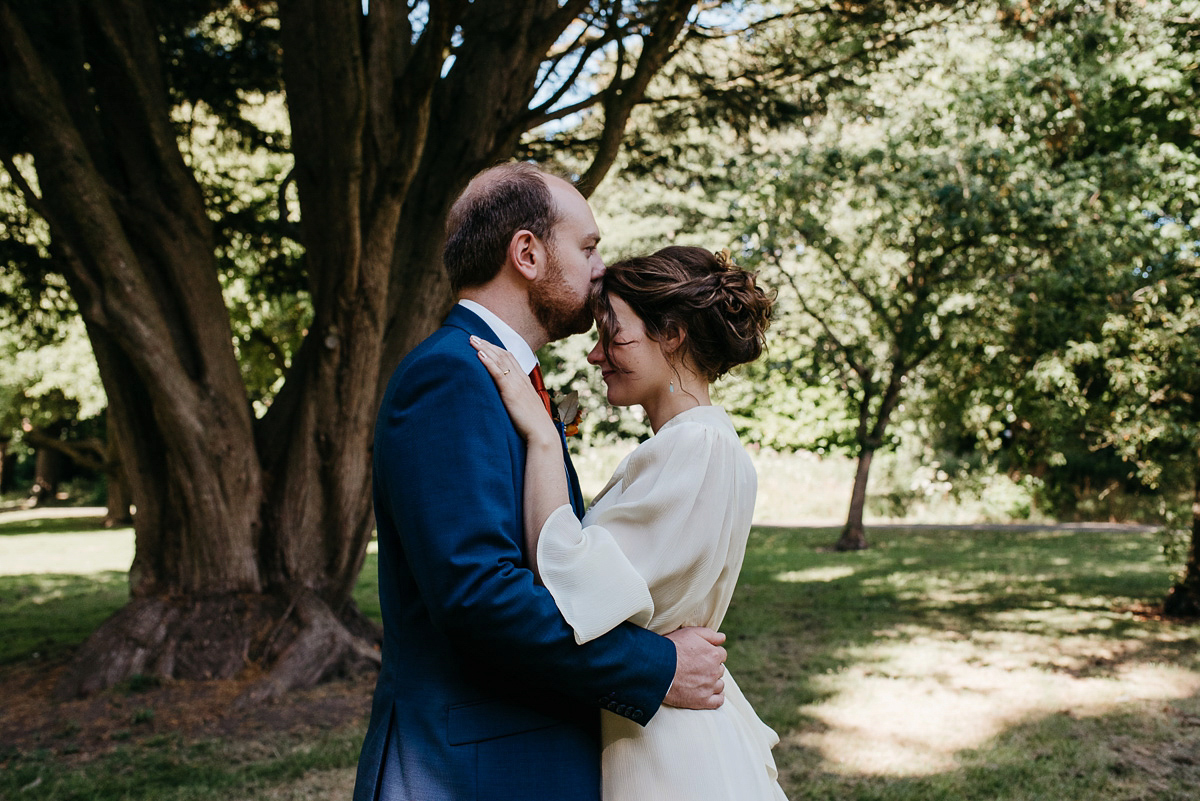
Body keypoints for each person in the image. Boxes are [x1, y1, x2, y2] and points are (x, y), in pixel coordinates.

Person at [353, 163, 730, 801]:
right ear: (526, 253)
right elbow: (478, 595)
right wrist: (656, 668)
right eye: (587, 247)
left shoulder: (501, 378)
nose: (601, 268)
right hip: (475, 770)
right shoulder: (449, 377)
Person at [471, 245, 789, 800]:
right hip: (655, 719)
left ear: (672, 335)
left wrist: (543, 438)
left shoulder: (696, 447)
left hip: (666, 748)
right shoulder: (699, 442)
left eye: (613, 336)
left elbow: (568, 582)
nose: (596, 356)